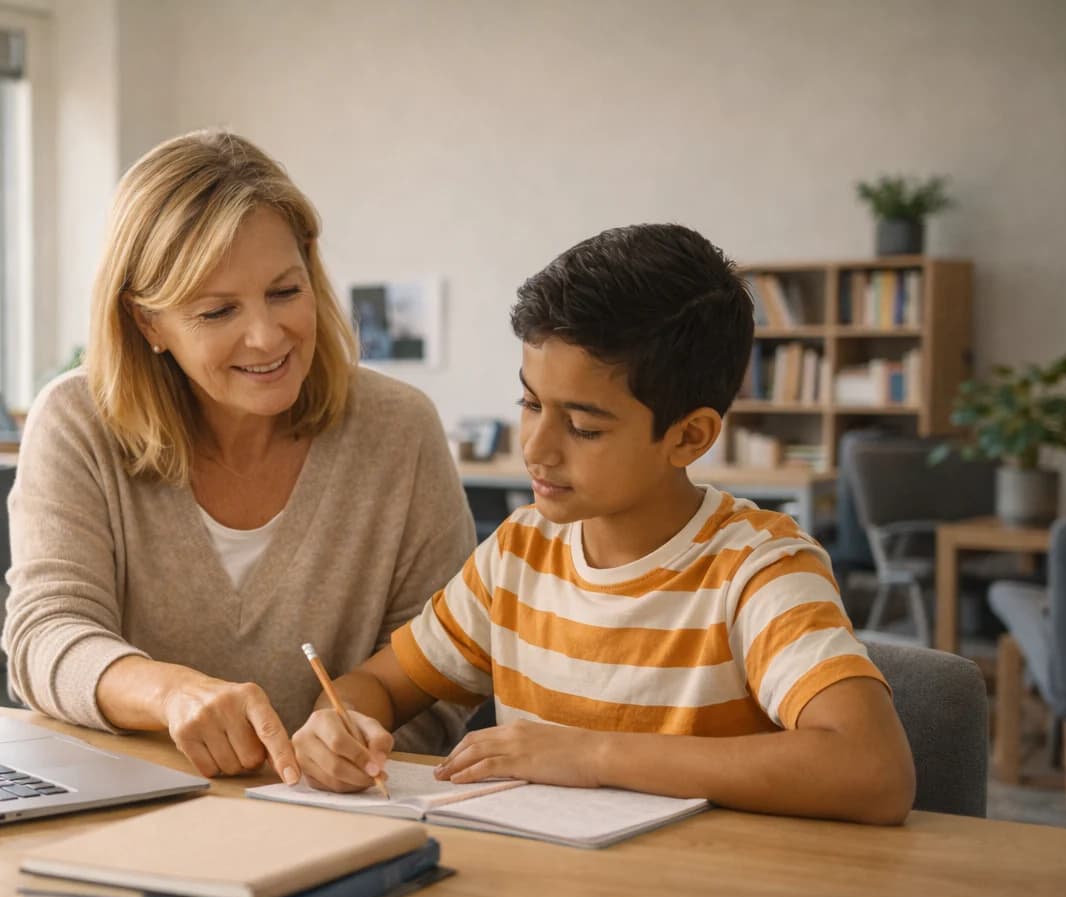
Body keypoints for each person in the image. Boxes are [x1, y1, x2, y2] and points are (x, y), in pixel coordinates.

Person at [291, 224, 917, 826]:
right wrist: (339, 721)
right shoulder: (518, 553)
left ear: (689, 436)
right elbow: (377, 684)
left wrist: (592, 755)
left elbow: (873, 769)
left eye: (584, 427)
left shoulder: (758, 568)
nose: (536, 448)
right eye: (531, 403)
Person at [3, 130, 474, 782]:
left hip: (342, 816)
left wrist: (364, 735)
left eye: (285, 292)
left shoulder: (400, 429)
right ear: (148, 324)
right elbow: (45, 636)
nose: (266, 336)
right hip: (132, 809)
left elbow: (443, 661)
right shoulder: (77, 422)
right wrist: (170, 694)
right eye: (217, 310)